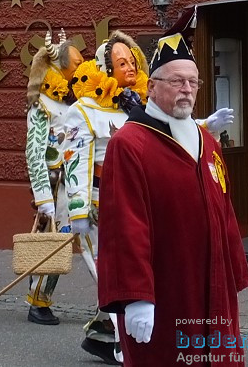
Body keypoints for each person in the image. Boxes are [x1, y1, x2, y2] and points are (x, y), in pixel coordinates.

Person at [97, 24, 248, 366]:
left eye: (193, 82)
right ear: (151, 86)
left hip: (213, 286)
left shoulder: (207, 142)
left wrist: (234, 273)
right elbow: (125, 227)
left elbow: (224, 210)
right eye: (177, 81)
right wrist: (136, 297)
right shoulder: (130, 144)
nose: (187, 90)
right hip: (167, 288)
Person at [61, 30, 149, 364]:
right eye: (121, 62)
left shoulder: (137, 105)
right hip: (101, 206)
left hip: (136, 205)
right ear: (105, 69)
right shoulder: (84, 110)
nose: (129, 67)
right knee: (115, 274)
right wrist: (79, 209)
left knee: (125, 273)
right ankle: (125, 345)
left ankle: (101, 335)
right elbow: (75, 159)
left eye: (132, 61)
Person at [23, 31, 83, 325]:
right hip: (55, 183)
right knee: (54, 243)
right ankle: (37, 299)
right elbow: (34, 151)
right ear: (60, 66)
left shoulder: (76, 101)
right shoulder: (42, 104)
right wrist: (43, 196)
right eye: (77, 62)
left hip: (76, 183)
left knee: (70, 242)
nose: (82, 67)